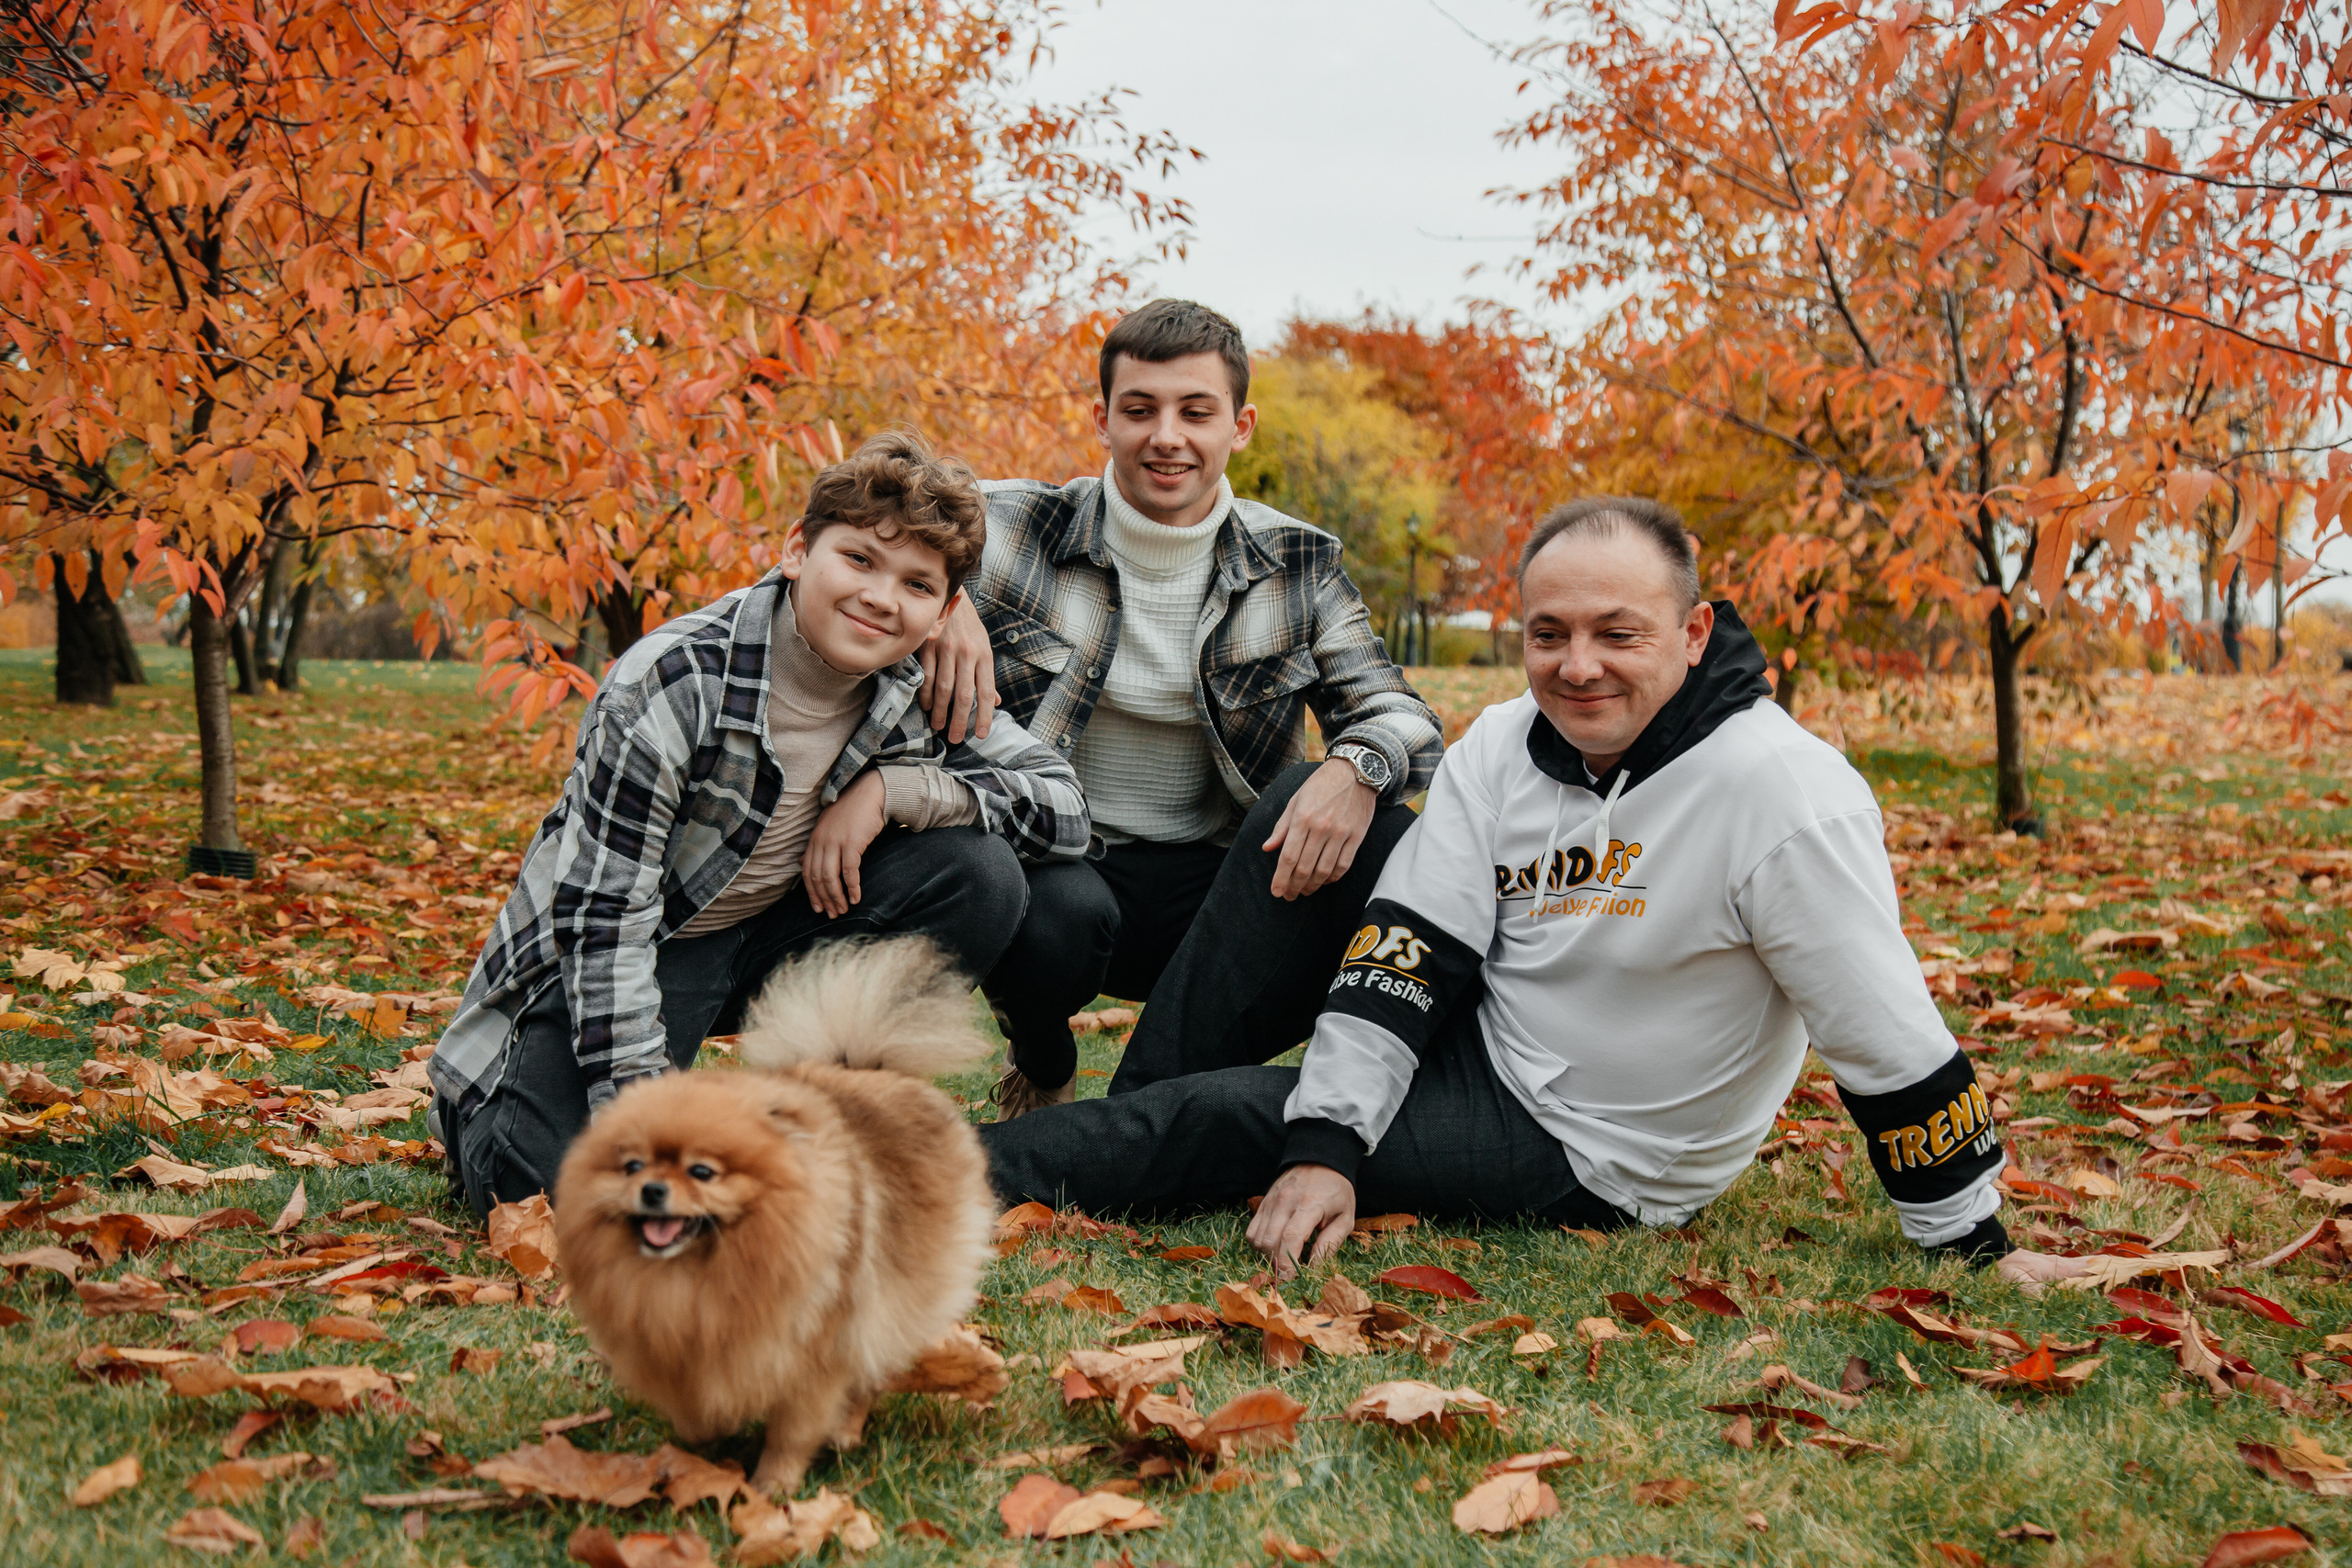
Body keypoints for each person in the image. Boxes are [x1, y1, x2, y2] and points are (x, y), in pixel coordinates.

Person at [980, 495, 2077, 1287]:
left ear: (1694, 634)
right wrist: (1333, 1137)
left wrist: (1971, 1239)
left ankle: (943, 1175)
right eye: (1548, 635)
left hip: (1591, 1141)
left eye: (1617, 634)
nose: (1577, 666)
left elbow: (1882, 1031)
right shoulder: (1507, 739)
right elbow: (1406, 949)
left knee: (1240, 1118)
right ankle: (1130, 1133)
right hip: (1493, 1020)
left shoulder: (1780, 793)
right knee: (1296, 821)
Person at [428, 433, 1089, 1217]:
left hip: (772, 932)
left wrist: (897, 788)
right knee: (546, 1196)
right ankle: (496, 1114)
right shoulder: (672, 683)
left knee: (979, 874)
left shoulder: (919, 683)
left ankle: (821, 1122)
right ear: (797, 551)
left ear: (946, 613)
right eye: (860, 560)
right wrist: (652, 1139)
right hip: (643, 944)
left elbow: (1066, 811)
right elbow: (604, 926)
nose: (882, 597)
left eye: (917, 583)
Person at [917, 299, 1447, 1117]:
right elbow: (849, 546)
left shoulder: (1299, 562)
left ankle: (1143, 1103)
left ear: (1240, 426)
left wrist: (1356, 767)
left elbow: (1403, 714)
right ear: (1103, 420)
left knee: (1382, 834)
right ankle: (1046, 1063)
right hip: (1059, 865)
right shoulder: (1006, 529)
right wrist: (940, 597)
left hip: (1221, 888)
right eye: (1140, 410)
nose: (1167, 437)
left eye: (1196, 412)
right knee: (1045, 904)